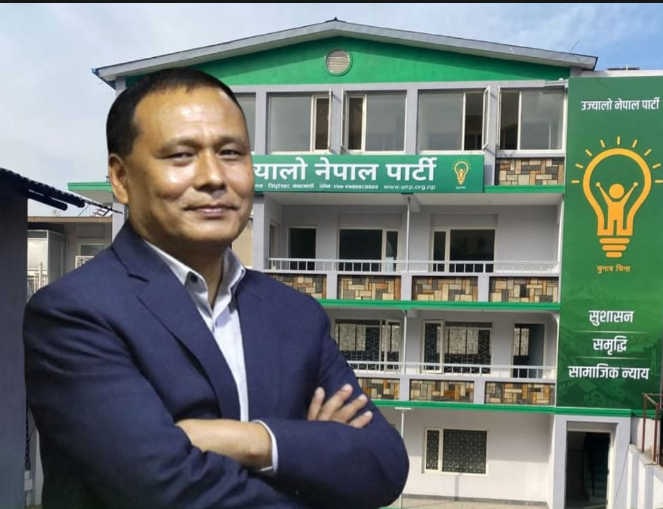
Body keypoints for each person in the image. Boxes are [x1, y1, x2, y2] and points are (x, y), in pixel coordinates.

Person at [24, 67, 409, 509]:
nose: (213, 177)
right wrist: (311, 453)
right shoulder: (75, 314)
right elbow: (168, 492)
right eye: (181, 155)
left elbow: (384, 464)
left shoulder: (294, 314)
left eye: (230, 153)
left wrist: (252, 441)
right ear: (121, 178)